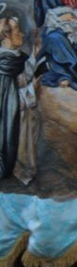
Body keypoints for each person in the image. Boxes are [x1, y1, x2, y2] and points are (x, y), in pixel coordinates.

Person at [0, 14, 27, 180]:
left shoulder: (18, 59)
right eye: (18, 31)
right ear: (5, 36)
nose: (22, 34)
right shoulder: (4, 67)